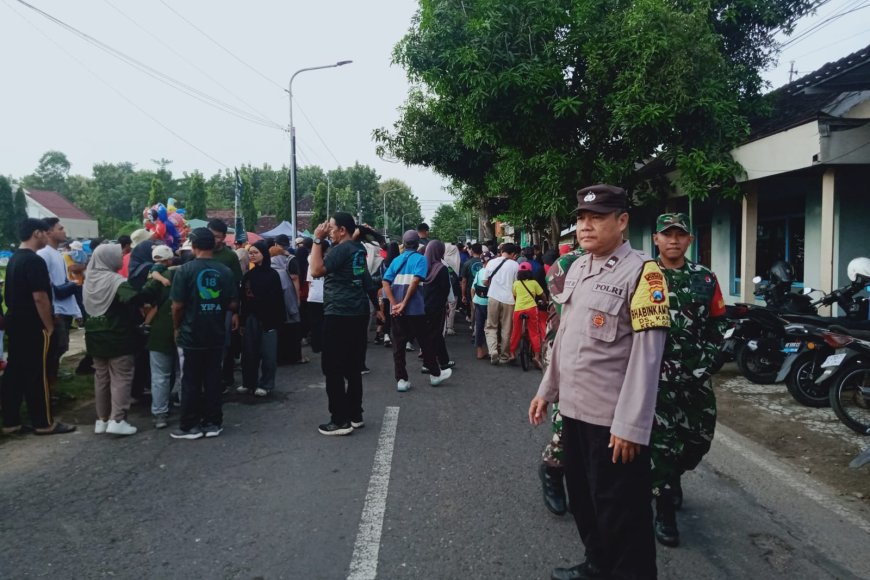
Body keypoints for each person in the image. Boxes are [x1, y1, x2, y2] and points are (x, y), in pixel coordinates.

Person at [528, 184, 671, 580]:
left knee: (621, 511)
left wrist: (631, 425)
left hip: (612, 422)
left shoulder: (644, 273)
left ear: (622, 221)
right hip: (574, 412)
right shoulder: (578, 268)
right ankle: (597, 565)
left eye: (597, 217)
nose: (585, 226)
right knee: (584, 499)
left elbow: (648, 356)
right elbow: (565, 337)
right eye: (581, 218)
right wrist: (546, 390)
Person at [649, 212, 728, 547]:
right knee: (662, 445)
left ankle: (674, 475)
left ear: (689, 240)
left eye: (680, 234)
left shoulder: (705, 278)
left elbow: (718, 323)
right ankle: (664, 507)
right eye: (667, 234)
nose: (673, 240)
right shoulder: (643, 276)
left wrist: (707, 361)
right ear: (656, 239)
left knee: (699, 440)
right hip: (655, 379)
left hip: (695, 377)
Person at [1, 218, 76, 435]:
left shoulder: (14, 258)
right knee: (38, 373)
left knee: (15, 371)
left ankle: (11, 421)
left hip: (15, 321)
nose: (46, 236)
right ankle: (43, 422)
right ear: (37, 233)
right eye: (45, 232)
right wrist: (49, 326)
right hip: (32, 324)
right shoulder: (34, 261)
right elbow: (40, 297)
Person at [169, 228, 239, 440]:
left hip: (191, 333)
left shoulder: (184, 271)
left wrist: (176, 327)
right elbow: (233, 303)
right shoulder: (225, 271)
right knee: (213, 379)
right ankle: (213, 422)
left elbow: (177, 306)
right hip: (216, 332)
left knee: (190, 380)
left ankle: (190, 425)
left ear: (193, 245)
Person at [309, 213, 371, 435]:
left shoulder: (341, 249)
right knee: (353, 367)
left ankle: (339, 420)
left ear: (343, 230)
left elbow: (316, 270)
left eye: (332, 228)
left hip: (339, 312)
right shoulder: (358, 250)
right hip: (358, 311)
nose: (329, 231)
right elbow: (366, 282)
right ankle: (355, 414)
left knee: (333, 367)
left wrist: (317, 239)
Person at [84, 244, 153, 436]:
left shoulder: (89, 280)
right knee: (121, 377)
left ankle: (102, 420)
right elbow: (136, 299)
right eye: (117, 255)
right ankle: (118, 420)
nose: (121, 258)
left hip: (94, 337)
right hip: (118, 336)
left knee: (101, 378)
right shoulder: (116, 282)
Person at [382, 231, 431, 392]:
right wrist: (404, 303)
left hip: (396, 311)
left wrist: (395, 304)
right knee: (424, 341)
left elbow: (385, 282)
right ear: (418, 244)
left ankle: (401, 379)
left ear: (403, 243)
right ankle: (435, 373)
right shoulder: (421, 259)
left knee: (398, 345)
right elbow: (416, 281)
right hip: (415, 308)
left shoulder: (396, 260)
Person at [37, 218, 82, 393]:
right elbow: (45, 286)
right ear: (48, 232)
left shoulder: (58, 254)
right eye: (60, 228)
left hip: (63, 308)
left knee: (61, 347)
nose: (64, 231)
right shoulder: (44, 254)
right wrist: (52, 310)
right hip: (55, 310)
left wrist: (75, 311)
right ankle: (47, 389)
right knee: (54, 350)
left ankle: (51, 387)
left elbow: (61, 282)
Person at [237, 240, 285, 397]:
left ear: (264, 254)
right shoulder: (248, 276)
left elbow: (278, 299)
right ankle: (248, 382)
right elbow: (244, 300)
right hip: (251, 318)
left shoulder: (273, 275)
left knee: (268, 354)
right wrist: (242, 321)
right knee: (249, 353)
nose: (252, 255)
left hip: (269, 319)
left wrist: (278, 321)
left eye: (255, 252)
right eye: (250, 253)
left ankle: (266, 384)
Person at [143, 244, 178, 429]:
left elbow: (144, 299)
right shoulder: (179, 274)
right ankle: (182, 403)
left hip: (158, 331)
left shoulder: (150, 278)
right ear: (169, 260)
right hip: (181, 329)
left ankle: (160, 414)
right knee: (182, 371)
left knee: (159, 375)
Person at [206, 219, 243, 390]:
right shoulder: (199, 253)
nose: (215, 240)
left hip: (225, 309)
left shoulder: (230, 256)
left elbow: (236, 285)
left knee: (224, 344)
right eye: (212, 236)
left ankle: (225, 379)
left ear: (224, 237)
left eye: (218, 237)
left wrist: (235, 312)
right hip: (203, 308)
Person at [420, 240, 453, 384]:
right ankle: (428, 363)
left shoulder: (423, 266)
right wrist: (447, 303)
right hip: (437, 306)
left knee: (431, 333)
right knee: (435, 333)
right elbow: (445, 289)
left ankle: (444, 360)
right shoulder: (441, 268)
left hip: (422, 305)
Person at [483, 242, 520, 365]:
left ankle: (493, 351)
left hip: (493, 297)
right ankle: (504, 356)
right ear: (513, 254)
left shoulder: (491, 262)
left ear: (502, 251)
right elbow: (516, 284)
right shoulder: (515, 265)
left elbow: (484, 281)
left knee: (491, 326)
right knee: (506, 328)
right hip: (509, 300)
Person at [509, 261, 545, 368]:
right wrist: (545, 301)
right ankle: (537, 357)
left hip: (518, 309)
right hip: (531, 309)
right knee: (534, 333)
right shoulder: (534, 283)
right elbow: (542, 295)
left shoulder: (516, 284)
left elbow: (514, 296)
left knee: (515, 331)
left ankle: (512, 354)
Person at [471, 251, 492, 359]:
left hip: (478, 301)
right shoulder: (491, 272)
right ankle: (492, 350)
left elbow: (473, 288)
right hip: (489, 302)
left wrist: (473, 301)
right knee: (492, 327)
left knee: (479, 326)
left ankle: (479, 350)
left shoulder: (479, 272)